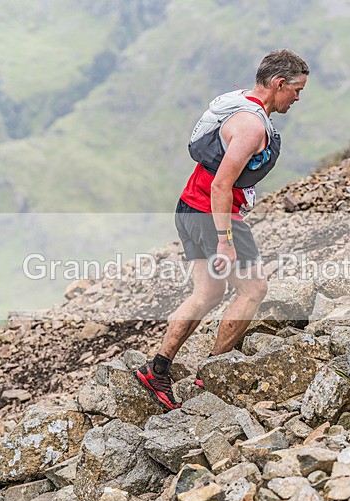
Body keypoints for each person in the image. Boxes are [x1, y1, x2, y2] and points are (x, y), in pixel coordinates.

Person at [135, 49, 309, 410]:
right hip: (214, 214)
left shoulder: (239, 101)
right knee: (254, 288)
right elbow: (220, 186)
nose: (297, 97)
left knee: (208, 294)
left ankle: (157, 370)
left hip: (188, 207)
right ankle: (212, 377)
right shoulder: (251, 126)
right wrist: (225, 241)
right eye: (296, 90)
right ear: (279, 84)